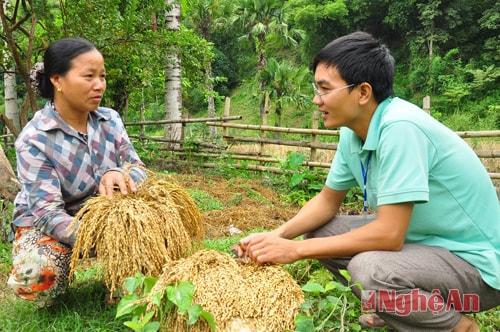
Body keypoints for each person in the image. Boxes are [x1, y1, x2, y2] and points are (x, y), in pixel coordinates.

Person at [235, 31, 500, 331]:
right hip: (426, 246)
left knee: (368, 270)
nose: (315, 99)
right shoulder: (354, 131)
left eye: (324, 89)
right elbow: (326, 201)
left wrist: (294, 251)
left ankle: (457, 326)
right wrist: (277, 236)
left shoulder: (400, 128)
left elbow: (389, 234)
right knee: (320, 232)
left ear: (362, 92)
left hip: (478, 268)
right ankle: (399, 308)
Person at [7, 37, 147, 306]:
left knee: (158, 226)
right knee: (36, 277)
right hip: (48, 226)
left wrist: (118, 173)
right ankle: (55, 270)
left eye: (102, 76)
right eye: (89, 76)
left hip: (102, 216)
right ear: (58, 80)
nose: (99, 85)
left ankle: (124, 282)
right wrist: (104, 238)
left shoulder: (110, 120)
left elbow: (140, 169)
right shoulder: (34, 140)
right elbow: (48, 215)